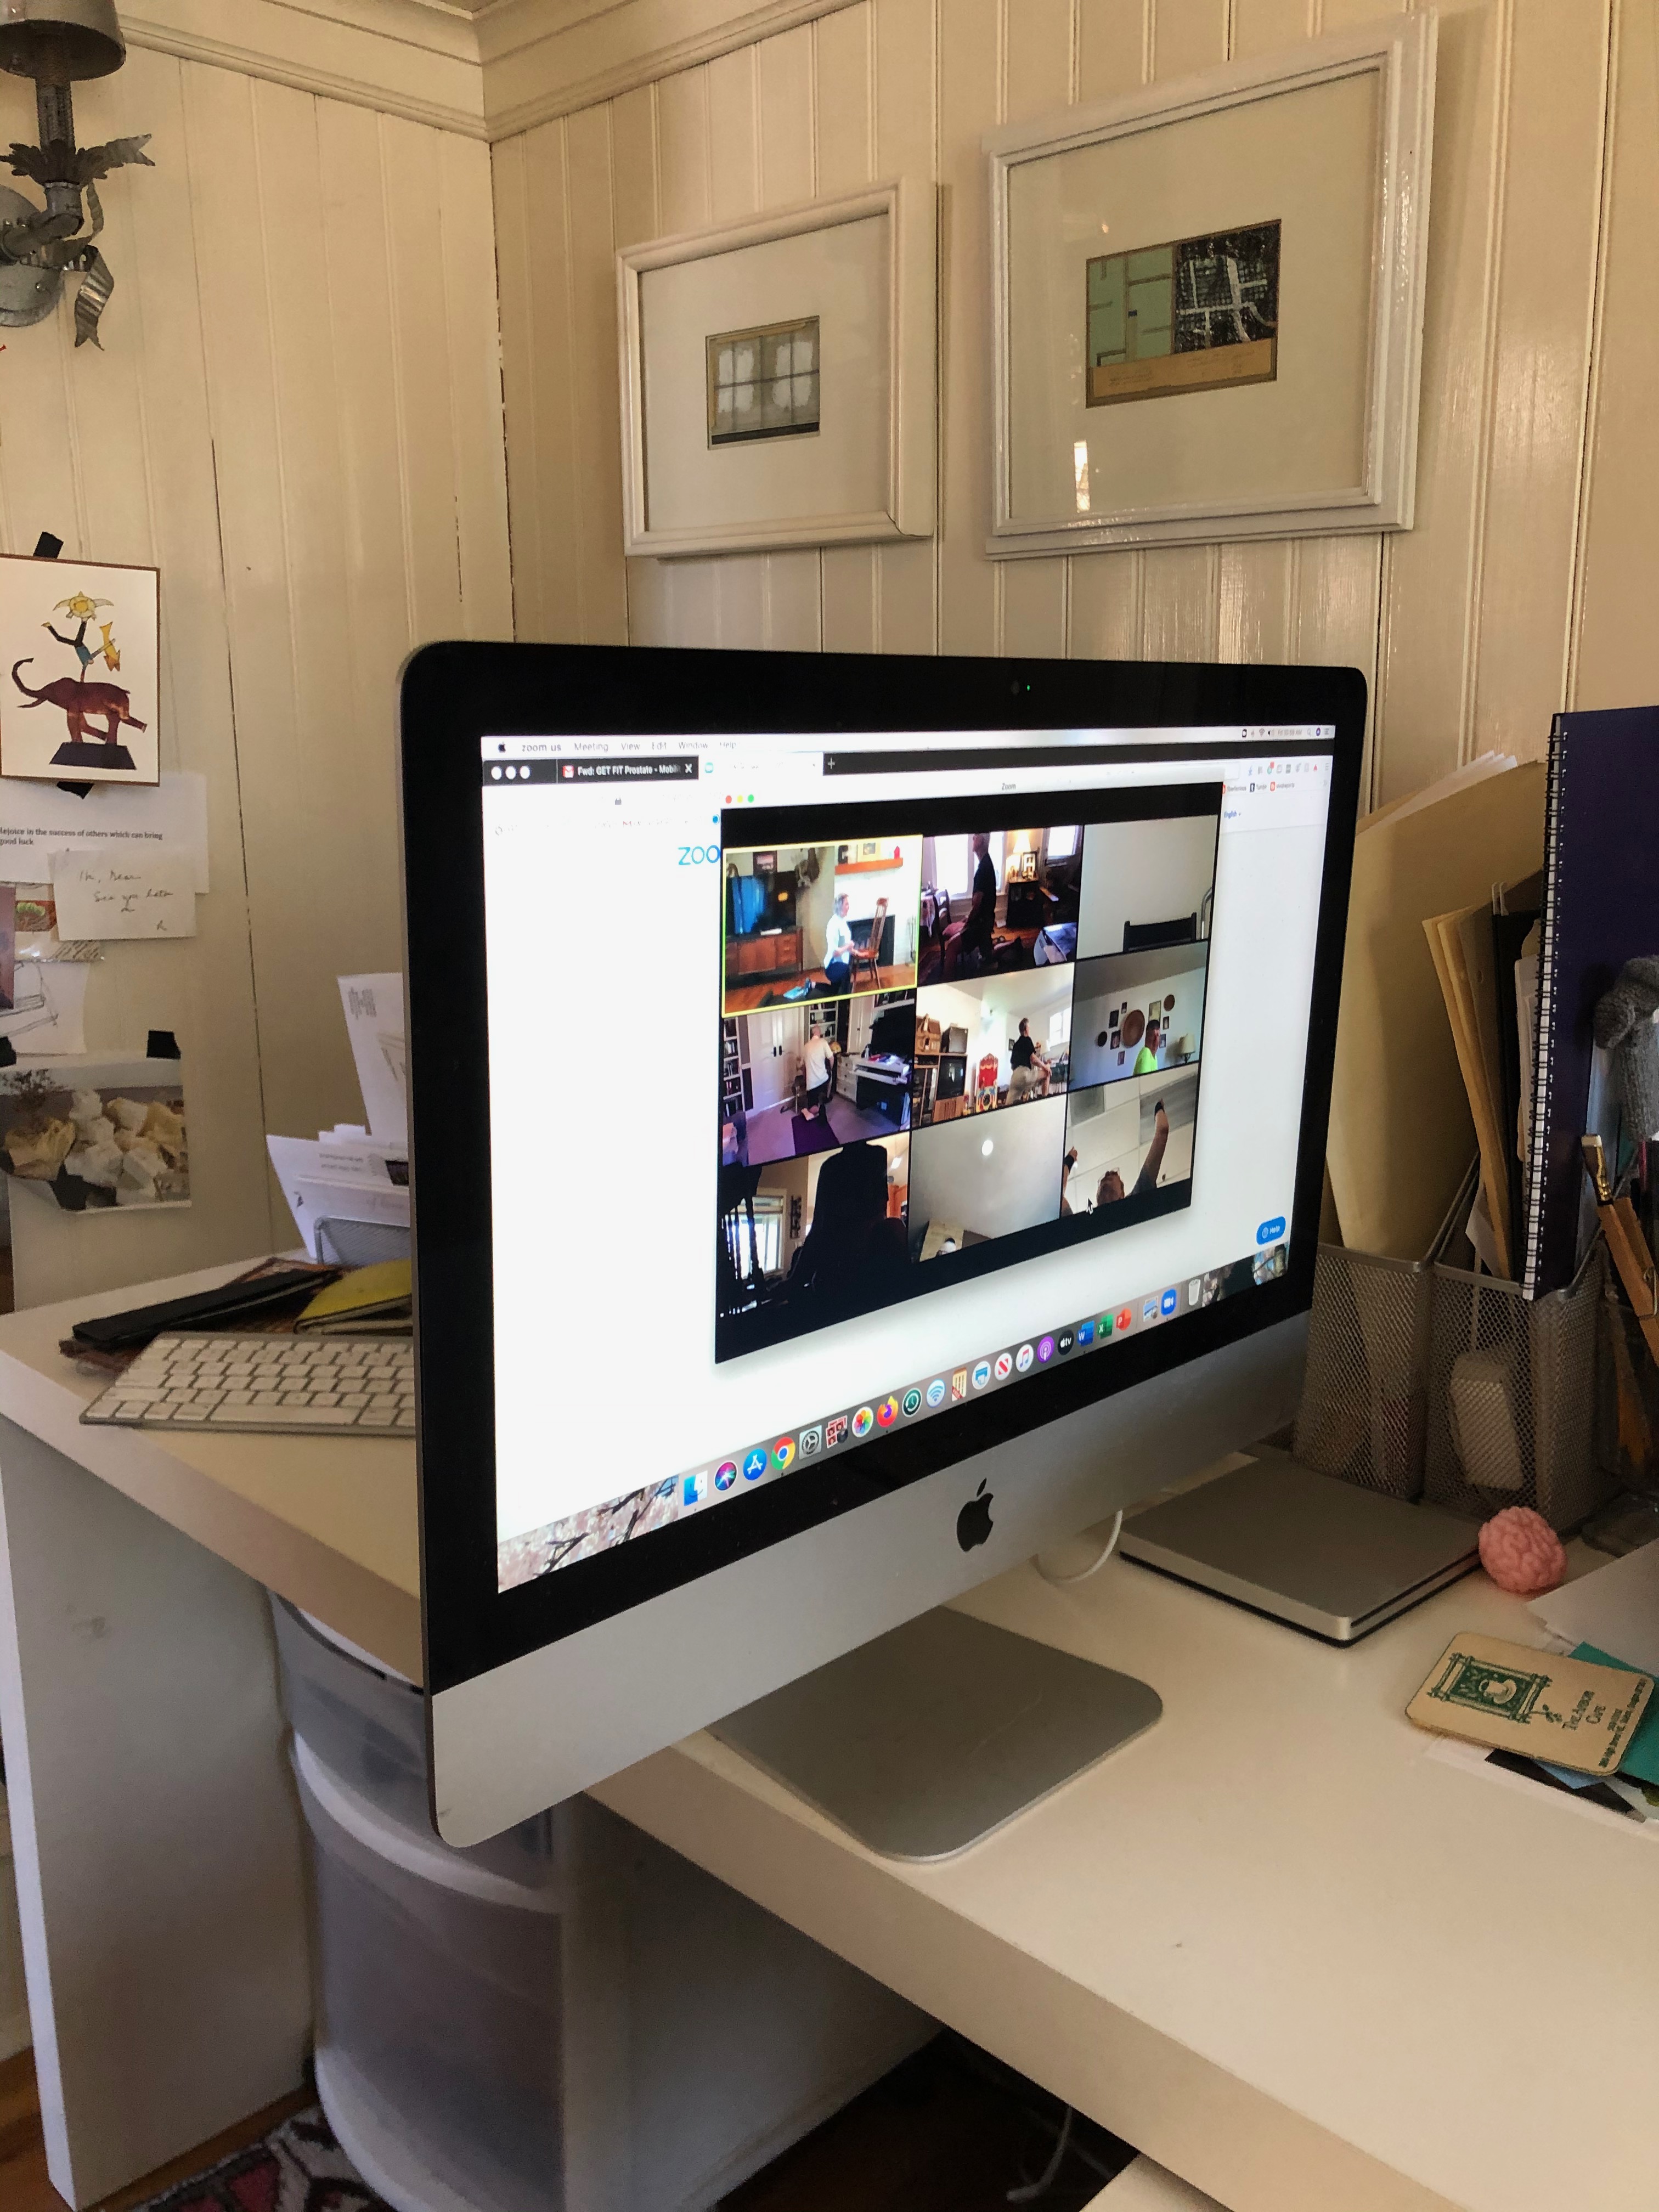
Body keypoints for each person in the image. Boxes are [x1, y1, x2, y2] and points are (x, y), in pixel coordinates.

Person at [1059, 1102, 1170, 1215]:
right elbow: (1058, 1198)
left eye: (1112, 1175)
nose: (1107, 1173)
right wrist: (1069, 1161)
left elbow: (1162, 1130)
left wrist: (1159, 1107)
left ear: (1123, 1194)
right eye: (1109, 1175)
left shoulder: (1135, 1200)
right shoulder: (1083, 1222)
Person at [956, 833, 997, 972]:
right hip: (986, 921)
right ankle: (1008, 947)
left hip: (981, 925)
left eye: (976, 836)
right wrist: (969, 917)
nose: (973, 839)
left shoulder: (983, 869)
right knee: (988, 954)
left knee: (951, 948)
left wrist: (967, 923)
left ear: (982, 841)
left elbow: (977, 905)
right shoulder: (987, 863)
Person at [1007, 1017, 1052, 1101]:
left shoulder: (1016, 1045)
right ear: (1026, 1029)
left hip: (1014, 1078)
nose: (1029, 1029)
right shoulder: (1027, 1039)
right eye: (1029, 1027)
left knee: (1009, 1104)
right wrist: (1045, 1067)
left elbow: (1012, 1065)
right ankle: (1044, 1102)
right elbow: (1033, 1059)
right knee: (1047, 1074)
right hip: (1024, 1075)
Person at [802, 1024, 836, 1120]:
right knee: (830, 1075)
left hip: (811, 1084)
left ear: (812, 1034)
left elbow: (804, 1067)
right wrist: (830, 1069)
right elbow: (832, 1058)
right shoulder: (823, 1042)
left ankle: (816, 1108)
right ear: (819, 1033)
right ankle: (825, 1098)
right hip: (823, 1080)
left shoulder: (806, 1046)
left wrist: (806, 1080)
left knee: (812, 1108)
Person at [823, 893, 854, 993]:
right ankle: (846, 999)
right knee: (846, 971)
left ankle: (812, 984)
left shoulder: (843, 921)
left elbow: (844, 944)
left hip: (841, 963)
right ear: (840, 906)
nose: (849, 907)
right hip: (832, 965)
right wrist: (849, 946)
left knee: (833, 991)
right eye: (847, 904)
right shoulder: (833, 924)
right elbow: (835, 953)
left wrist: (857, 952)